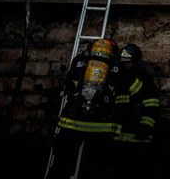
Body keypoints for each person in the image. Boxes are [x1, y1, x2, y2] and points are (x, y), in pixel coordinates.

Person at [47, 38, 121, 179]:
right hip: (100, 126)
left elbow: (68, 85)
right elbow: (119, 93)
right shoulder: (117, 65)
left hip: (72, 121)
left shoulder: (79, 60)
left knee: (61, 164)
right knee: (93, 168)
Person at [113, 43, 160, 176]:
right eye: (124, 62)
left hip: (139, 138)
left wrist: (145, 126)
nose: (125, 65)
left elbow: (151, 105)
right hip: (119, 136)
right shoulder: (118, 78)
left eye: (129, 63)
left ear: (137, 62)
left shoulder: (145, 79)